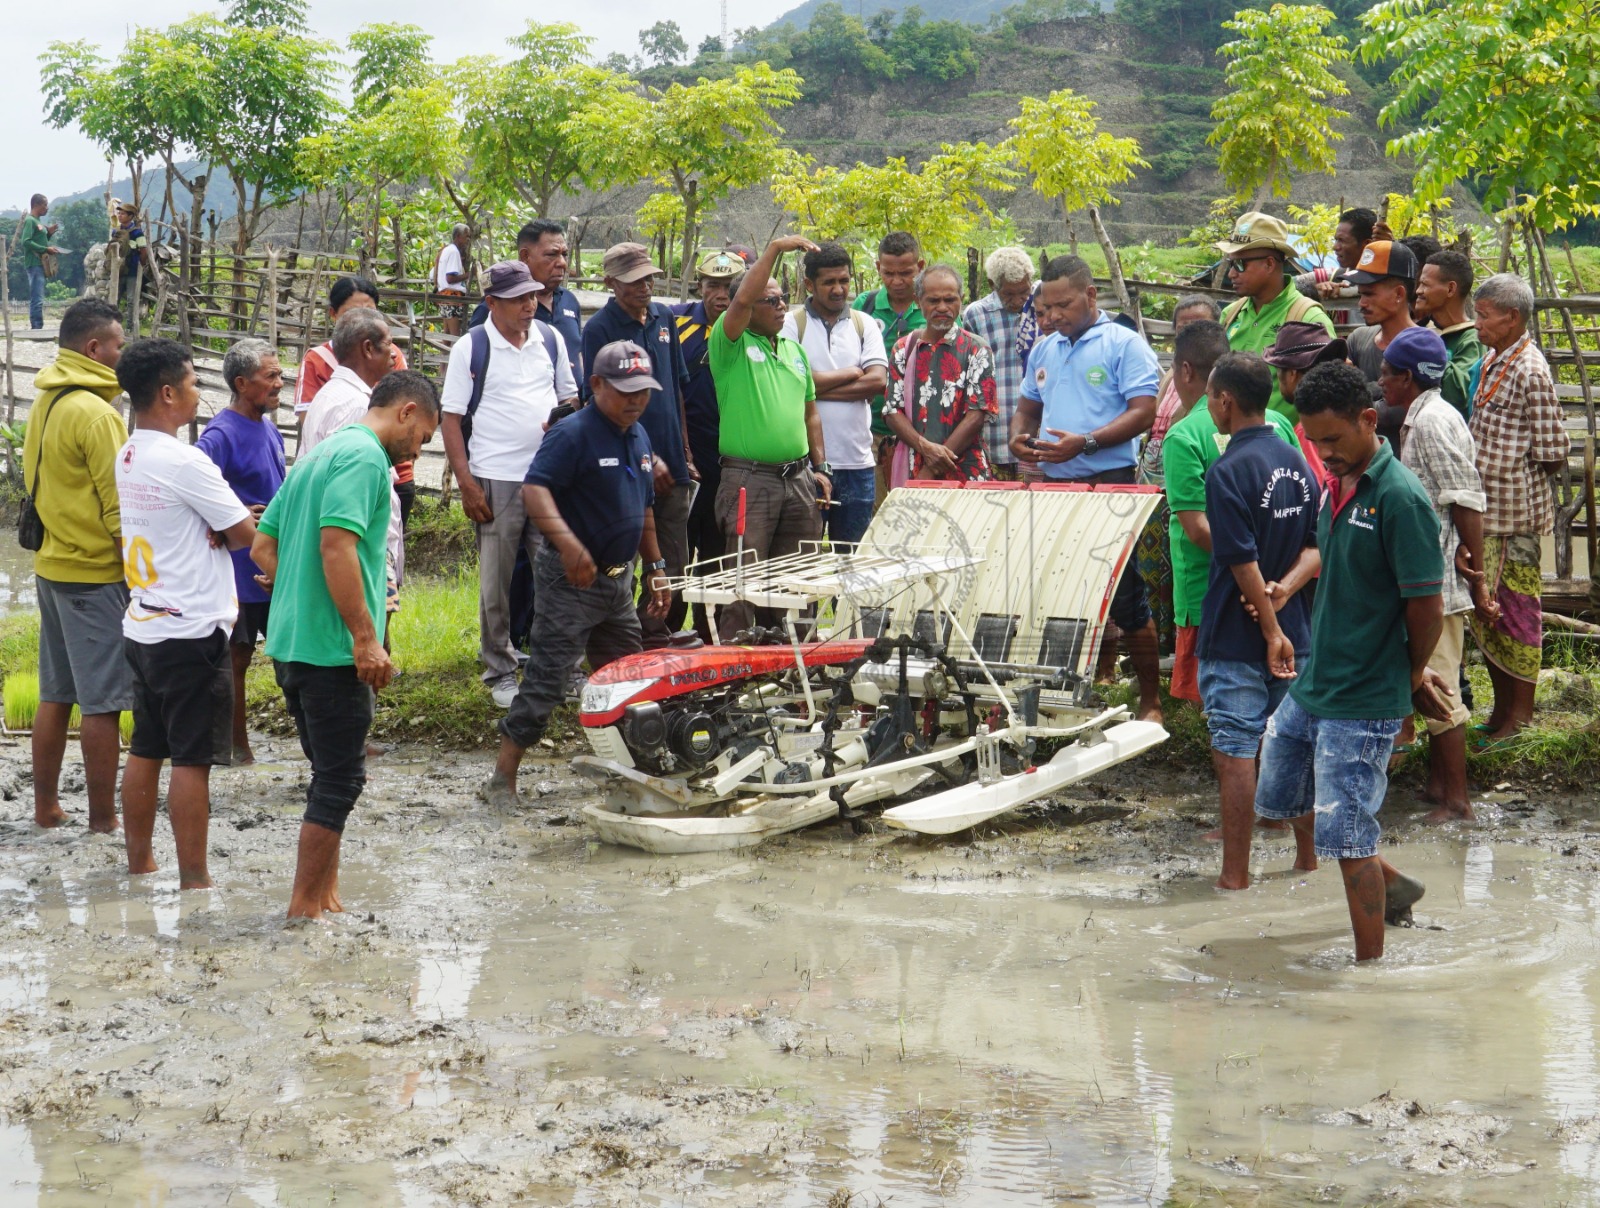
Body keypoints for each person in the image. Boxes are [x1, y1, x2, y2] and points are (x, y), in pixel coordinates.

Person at [1256, 361, 1450, 961]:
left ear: (1370, 421)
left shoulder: (1399, 499)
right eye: (1315, 442)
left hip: (1364, 696)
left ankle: (1368, 967)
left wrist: (1410, 675)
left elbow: (1426, 606)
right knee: (1278, 797)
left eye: (1333, 441)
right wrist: (1284, 590)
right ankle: (1392, 884)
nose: (1324, 453)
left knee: (1347, 837)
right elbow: (1326, 558)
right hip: (1318, 678)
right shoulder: (1336, 483)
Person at [251, 371, 440, 921]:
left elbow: (265, 546)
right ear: (406, 412)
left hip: (292, 642)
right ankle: (304, 905)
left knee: (329, 773)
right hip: (331, 649)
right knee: (340, 779)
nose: (419, 450)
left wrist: (299, 583)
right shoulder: (362, 458)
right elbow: (337, 547)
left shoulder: (319, 452)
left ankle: (325, 896)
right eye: (424, 437)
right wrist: (365, 638)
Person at [482, 341, 673, 810]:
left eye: (643, 392)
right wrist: (569, 546)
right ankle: (501, 778)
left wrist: (657, 566)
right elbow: (534, 491)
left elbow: (644, 504)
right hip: (571, 583)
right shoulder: (573, 434)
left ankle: (637, 772)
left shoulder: (638, 434)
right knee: (547, 680)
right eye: (625, 391)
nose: (635, 400)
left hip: (619, 584)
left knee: (630, 679)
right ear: (596, 386)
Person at [114, 339, 256, 889]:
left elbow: (183, 521)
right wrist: (235, 523)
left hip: (145, 623)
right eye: (195, 383)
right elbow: (246, 536)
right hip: (192, 628)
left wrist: (220, 524)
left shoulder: (130, 452)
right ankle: (195, 878)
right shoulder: (186, 459)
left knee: (148, 747)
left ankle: (140, 862)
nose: (201, 392)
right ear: (169, 393)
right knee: (192, 758)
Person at [1009, 255, 1163, 721]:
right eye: (1046, 308)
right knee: (1057, 592)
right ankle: (1062, 700)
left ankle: (1151, 703)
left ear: (1091, 296)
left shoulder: (1123, 344)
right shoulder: (1044, 348)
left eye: (1063, 305)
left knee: (1125, 594)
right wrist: (1020, 436)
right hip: (1055, 485)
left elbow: (1144, 412)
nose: (1053, 316)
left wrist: (1088, 443)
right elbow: (1028, 409)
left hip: (1110, 486)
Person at [1198, 352, 1320, 891]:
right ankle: (1308, 862)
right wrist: (1284, 596)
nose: (1208, 406)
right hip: (1298, 628)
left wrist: (1269, 628)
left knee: (1236, 752)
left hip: (1239, 637)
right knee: (1293, 747)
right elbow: (1318, 549)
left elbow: (1240, 559)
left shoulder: (1227, 471)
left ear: (1225, 401)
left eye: (1209, 397)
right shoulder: (1298, 460)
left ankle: (1235, 877)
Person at [442, 262, 577, 706]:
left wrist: (562, 421)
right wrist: (466, 483)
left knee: (556, 575)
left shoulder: (550, 339)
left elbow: (569, 399)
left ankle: (562, 666)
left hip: (548, 477)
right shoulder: (472, 346)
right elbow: (452, 418)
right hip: (495, 476)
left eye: (532, 296)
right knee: (496, 579)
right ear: (491, 303)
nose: (529, 305)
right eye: (518, 298)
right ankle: (499, 668)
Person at [23, 298, 130, 832]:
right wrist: (137, 577)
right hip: (93, 574)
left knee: (55, 693)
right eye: (117, 344)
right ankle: (104, 818)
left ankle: (46, 808)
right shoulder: (97, 413)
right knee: (103, 702)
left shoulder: (46, 399)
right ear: (94, 349)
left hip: (51, 565)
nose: (121, 353)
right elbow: (120, 512)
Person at [1381, 326, 1493, 822]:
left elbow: (1465, 497)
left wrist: (1477, 569)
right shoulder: (1425, 415)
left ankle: (1458, 801)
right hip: (1430, 573)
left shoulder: (1430, 423)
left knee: (1440, 685)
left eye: (1385, 373)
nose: (1380, 381)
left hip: (1440, 580)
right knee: (1429, 681)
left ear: (1406, 377)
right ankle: (1437, 785)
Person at [1162, 321, 1303, 706]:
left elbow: (1196, 529)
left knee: (1226, 715)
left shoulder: (1182, 436)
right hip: (1279, 588)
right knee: (1278, 708)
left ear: (1185, 371)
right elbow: (1299, 504)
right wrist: (1270, 574)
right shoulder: (1281, 423)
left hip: (1210, 593)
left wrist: (1248, 563)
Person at [709, 235, 832, 637]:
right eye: (772, 300)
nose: (782, 307)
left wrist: (821, 467)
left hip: (797, 480)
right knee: (743, 580)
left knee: (800, 577)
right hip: (750, 479)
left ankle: (798, 667)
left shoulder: (793, 349)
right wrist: (776, 250)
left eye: (784, 299)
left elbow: (810, 412)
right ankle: (736, 668)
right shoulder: (729, 343)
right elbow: (742, 301)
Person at [1468, 273, 1567, 744]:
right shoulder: (1493, 358)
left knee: (1518, 614)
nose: (1476, 324)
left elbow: (1553, 449)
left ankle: (1520, 720)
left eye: (1483, 316)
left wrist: (1510, 471)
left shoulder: (1530, 368)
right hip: (1488, 512)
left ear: (1512, 317)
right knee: (1489, 615)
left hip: (1515, 517)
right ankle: (1501, 712)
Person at [582, 243, 696, 644]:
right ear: (610, 283)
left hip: (672, 465)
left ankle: (658, 634)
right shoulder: (599, 329)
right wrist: (641, 453)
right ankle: (616, 640)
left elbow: (676, 390)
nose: (645, 286)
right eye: (634, 281)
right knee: (622, 557)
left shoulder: (665, 316)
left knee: (672, 557)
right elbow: (596, 403)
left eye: (649, 277)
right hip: (627, 465)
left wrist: (684, 452)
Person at [198, 338, 287, 765]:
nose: (279, 383)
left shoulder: (267, 425)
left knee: (291, 647)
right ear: (241, 383)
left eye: (279, 374)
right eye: (270, 376)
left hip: (272, 560)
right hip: (238, 568)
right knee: (237, 657)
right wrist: (231, 513)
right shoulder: (220, 434)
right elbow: (194, 488)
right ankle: (237, 746)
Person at [782, 242, 888, 544]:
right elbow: (790, 382)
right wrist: (853, 373)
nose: (839, 289)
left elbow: (877, 382)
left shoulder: (864, 324)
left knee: (853, 560)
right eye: (829, 282)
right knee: (802, 557)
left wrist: (811, 392)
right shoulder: (791, 325)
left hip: (858, 464)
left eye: (844, 280)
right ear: (809, 284)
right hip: (806, 467)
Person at [1136, 294, 1221, 653]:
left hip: (1182, 474)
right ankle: (1163, 646)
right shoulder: (1170, 375)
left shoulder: (1203, 410)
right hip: (1156, 478)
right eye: (1182, 327)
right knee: (1153, 568)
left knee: (1180, 564)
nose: (1190, 330)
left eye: (1198, 324)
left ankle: (1176, 648)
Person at [292, 277, 415, 525]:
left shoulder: (391, 356)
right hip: (346, 480)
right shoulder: (319, 362)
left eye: (369, 312)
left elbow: (406, 416)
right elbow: (312, 424)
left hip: (394, 475)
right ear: (333, 315)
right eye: (351, 313)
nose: (361, 320)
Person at [673, 250, 743, 636]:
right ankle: (663, 631)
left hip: (730, 460)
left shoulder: (749, 327)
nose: (721, 294)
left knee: (718, 552)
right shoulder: (676, 322)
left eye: (729, 286)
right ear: (700, 285)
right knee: (677, 549)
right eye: (713, 285)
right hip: (686, 459)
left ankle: (708, 631)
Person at [1215, 212, 1333, 422]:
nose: (1231, 273)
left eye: (1240, 264)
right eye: (1230, 263)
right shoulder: (1230, 314)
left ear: (1269, 264)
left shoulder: (1308, 318)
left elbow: (1327, 397)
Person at [883, 265, 997, 481]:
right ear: (918, 301)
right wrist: (924, 447)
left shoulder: (976, 348)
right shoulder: (904, 349)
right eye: (934, 301)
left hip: (965, 471)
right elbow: (892, 410)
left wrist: (932, 468)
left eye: (950, 300)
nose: (943, 307)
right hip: (913, 465)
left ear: (961, 299)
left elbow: (977, 414)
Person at [854, 232, 928, 507]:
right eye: (889, 273)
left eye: (906, 273)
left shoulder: (932, 305)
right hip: (869, 429)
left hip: (918, 431)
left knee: (912, 509)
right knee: (872, 509)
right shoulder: (865, 305)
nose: (897, 281)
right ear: (878, 268)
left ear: (920, 267)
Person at [468, 219, 583, 375]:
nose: (562, 263)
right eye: (552, 254)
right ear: (525, 256)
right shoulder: (496, 308)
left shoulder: (569, 300)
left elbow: (577, 352)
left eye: (564, 254)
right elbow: (475, 366)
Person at [962, 247, 1034, 481]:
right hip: (994, 434)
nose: (1017, 301)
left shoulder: (1041, 308)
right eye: (1008, 294)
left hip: (1035, 434)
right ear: (993, 285)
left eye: (1023, 292)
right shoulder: (977, 314)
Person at [1344, 241, 1421, 441]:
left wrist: (1357, 396)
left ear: (1399, 294)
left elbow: (1399, 411)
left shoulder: (1424, 348)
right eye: (1360, 294)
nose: (1361, 303)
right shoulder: (1358, 339)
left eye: (1369, 294)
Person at [1260, 321, 1346, 488]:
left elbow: (1315, 489)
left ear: (1292, 374)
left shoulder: (1310, 432)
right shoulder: (1347, 416)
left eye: (1278, 371)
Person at [1414, 250, 1483, 420]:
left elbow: (1459, 394)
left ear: (1450, 289)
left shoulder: (1472, 338)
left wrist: (1429, 345)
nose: (1418, 291)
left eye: (1425, 285)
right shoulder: (1426, 329)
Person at [1293, 206, 1377, 327]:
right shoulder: (1333, 276)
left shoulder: (1390, 279)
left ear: (1367, 244)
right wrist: (1315, 290)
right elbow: (1286, 285)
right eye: (1336, 240)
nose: (1335, 247)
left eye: (1342, 240)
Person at [17, 193, 59, 330]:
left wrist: (49, 234)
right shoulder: (30, 221)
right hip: (34, 264)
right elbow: (26, 241)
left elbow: (37, 239)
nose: (46, 208)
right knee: (37, 297)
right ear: (36, 205)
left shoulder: (38, 222)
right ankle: (36, 327)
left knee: (38, 296)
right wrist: (45, 248)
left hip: (40, 264)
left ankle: (37, 326)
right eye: (44, 205)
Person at [114, 201, 152, 330]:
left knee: (131, 300)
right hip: (118, 271)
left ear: (131, 216)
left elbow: (143, 251)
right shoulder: (116, 232)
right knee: (115, 298)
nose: (120, 216)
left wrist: (139, 265)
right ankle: (114, 325)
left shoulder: (138, 233)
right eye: (119, 213)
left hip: (132, 271)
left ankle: (129, 326)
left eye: (123, 214)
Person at [434, 223, 472, 335]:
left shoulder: (447, 250)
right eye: (466, 236)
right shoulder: (454, 252)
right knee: (455, 336)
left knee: (447, 334)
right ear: (458, 237)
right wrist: (469, 274)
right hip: (452, 297)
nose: (468, 240)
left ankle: (444, 353)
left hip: (445, 296)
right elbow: (450, 278)